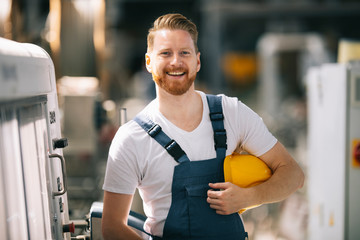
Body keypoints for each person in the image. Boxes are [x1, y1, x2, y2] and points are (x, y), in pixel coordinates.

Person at [101, 13, 304, 240]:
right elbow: (112, 227)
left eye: (184, 53)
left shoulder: (231, 113)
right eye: (165, 53)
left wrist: (250, 197)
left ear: (197, 61)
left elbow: (293, 174)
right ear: (149, 62)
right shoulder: (131, 139)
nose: (176, 61)